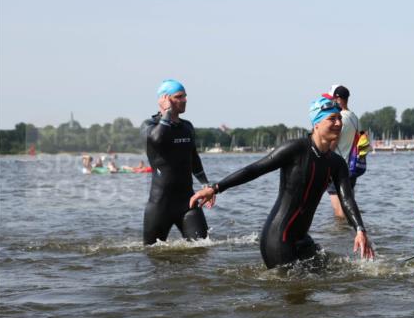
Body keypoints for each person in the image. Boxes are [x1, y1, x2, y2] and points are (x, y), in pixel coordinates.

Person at [190, 95, 374, 269]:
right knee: (294, 295)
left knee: (328, 273)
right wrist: (215, 188)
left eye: (339, 119)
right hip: (278, 239)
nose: (338, 123)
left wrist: (360, 230)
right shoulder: (295, 149)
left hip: (302, 239)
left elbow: (347, 199)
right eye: (332, 119)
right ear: (316, 123)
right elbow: (255, 169)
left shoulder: (336, 163)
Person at [142, 79, 211, 244]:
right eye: (179, 96)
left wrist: (205, 184)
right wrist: (166, 113)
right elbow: (158, 139)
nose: (185, 100)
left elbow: (194, 158)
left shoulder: (187, 127)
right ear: (165, 99)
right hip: (160, 205)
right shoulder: (149, 125)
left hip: (188, 202)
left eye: (185, 96)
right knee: (153, 256)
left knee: (202, 249)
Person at [324, 84, 361, 219]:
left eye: (332, 99)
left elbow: (333, 142)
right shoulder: (354, 117)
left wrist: (323, 159)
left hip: (337, 167)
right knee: (349, 203)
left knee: (339, 211)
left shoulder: (339, 118)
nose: (331, 102)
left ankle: (342, 234)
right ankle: (351, 233)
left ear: (338, 99)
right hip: (352, 167)